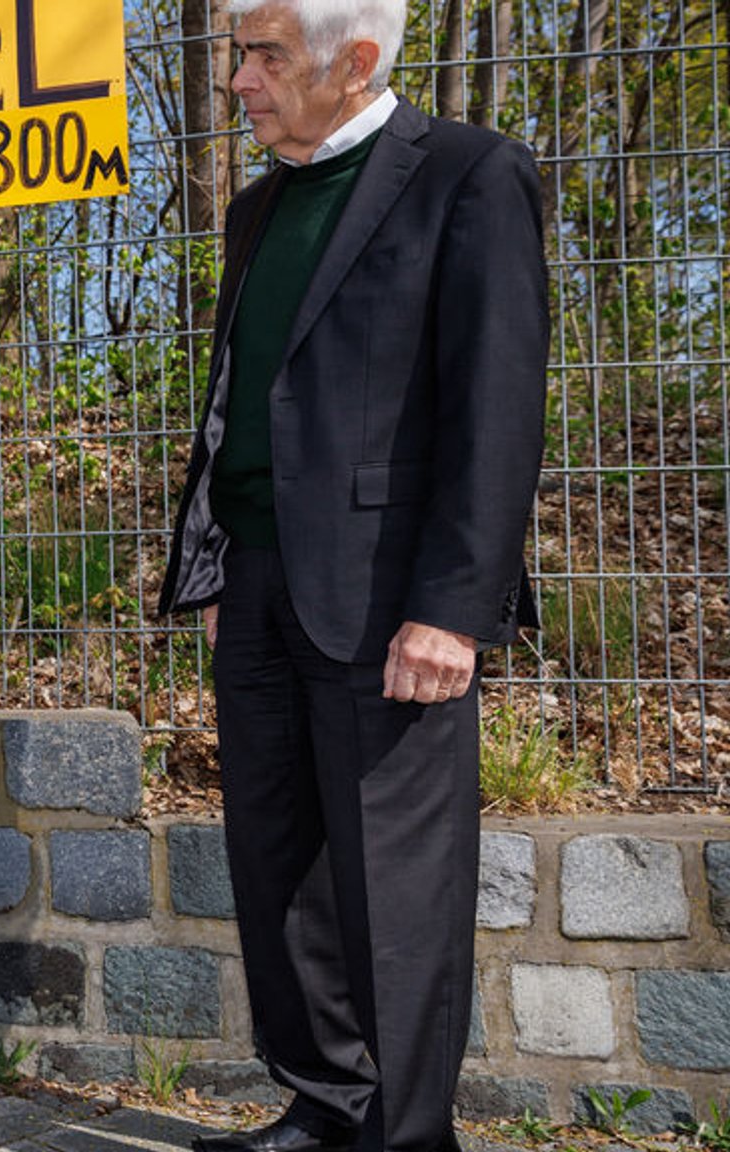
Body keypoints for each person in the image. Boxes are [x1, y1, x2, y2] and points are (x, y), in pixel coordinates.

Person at [157, 2, 547, 1152]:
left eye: (264, 56)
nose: (238, 80)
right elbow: (246, 398)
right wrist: (218, 558)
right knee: (277, 862)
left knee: (395, 888)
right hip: (260, 583)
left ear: (356, 60)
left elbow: (494, 406)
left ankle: (407, 1136)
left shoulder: (468, 177)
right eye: (237, 55)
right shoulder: (252, 209)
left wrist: (451, 607)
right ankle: (325, 1107)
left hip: (392, 599)